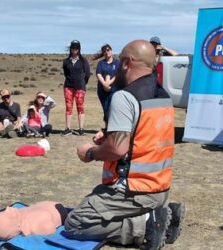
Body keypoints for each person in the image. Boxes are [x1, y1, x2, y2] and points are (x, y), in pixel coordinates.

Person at [64, 40, 185, 250]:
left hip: (135, 190)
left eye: (121, 60)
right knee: (95, 197)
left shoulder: (125, 96)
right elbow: (144, 137)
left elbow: (117, 149)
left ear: (128, 62)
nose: (118, 65)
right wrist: (111, 135)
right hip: (160, 187)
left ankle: (147, 226)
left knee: (76, 223)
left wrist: (91, 153)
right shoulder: (162, 95)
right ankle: (164, 214)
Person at [0, 201, 67, 241]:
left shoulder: (20, 213)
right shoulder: (35, 226)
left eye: (4, 212)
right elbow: (49, 227)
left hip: (55, 207)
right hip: (61, 212)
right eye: (9, 214)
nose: (8, 208)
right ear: (18, 226)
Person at [62, 40, 90, 136]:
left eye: (77, 48)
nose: (75, 50)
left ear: (79, 49)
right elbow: (66, 74)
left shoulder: (83, 61)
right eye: (73, 48)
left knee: (80, 107)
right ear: (70, 48)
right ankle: (68, 128)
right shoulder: (66, 61)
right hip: (68, 87)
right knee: (68, 107)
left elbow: (87, 74)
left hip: (80, 87)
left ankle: (81, 129)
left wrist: (82, 83)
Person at [93, 44, 120, 122]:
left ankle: (113, 127)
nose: (106, 52)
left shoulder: (117, 63)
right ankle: (107, 127)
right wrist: (104, 84)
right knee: (105, 108)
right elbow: (98, 74)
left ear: (111, 51)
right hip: (102, 90)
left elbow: (117, 75)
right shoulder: (101, 63)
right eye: (104, 51)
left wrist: (109, 83)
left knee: (113, 108)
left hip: (114, 89)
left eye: (108, 50)